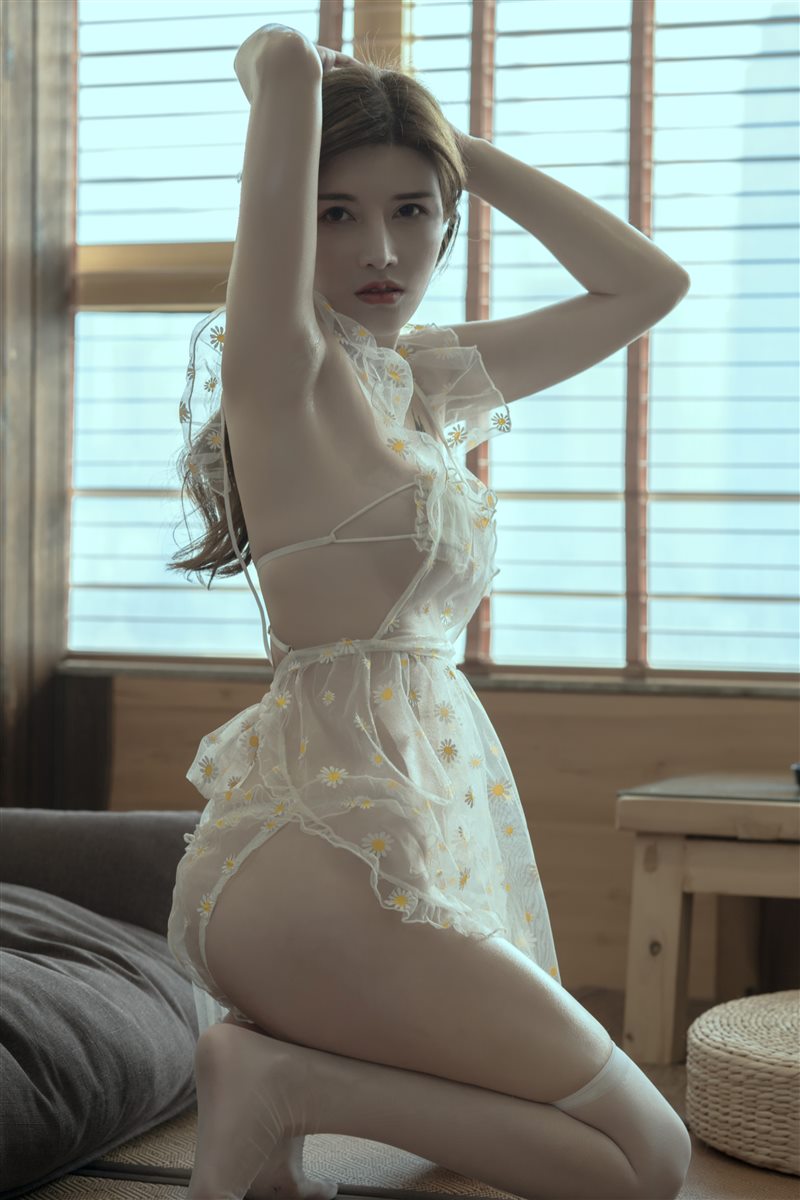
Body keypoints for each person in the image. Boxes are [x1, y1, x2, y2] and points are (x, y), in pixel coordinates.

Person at [165, 24, 693, 1200]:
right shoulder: (283, 369)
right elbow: (283, 57)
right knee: (649, 1160)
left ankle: (276, 1078)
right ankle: (281, 1086)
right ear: (289, 224)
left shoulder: (422, 380)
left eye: (412, 212)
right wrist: (292, 78)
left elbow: (647, 286)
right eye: (335, 213)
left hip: (389, 856)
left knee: (602, 1148)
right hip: (316, 871)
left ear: (446, 222)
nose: (380, 247)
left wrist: (454, 149)